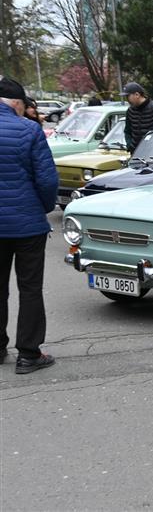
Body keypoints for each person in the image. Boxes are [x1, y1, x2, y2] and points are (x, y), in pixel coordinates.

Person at [0, 77, 59, 373]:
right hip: (27, 225)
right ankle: (28, 354)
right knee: (30, 288)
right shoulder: (29, 130)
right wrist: (43, 208)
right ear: (18, 104)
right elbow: (47, 180)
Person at [121, 82, 153, 153]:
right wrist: (129, 145)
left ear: (137, 95)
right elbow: (127, 131)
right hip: (136, 154)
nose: (127, 100)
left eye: (128, 96)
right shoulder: (130, 111)